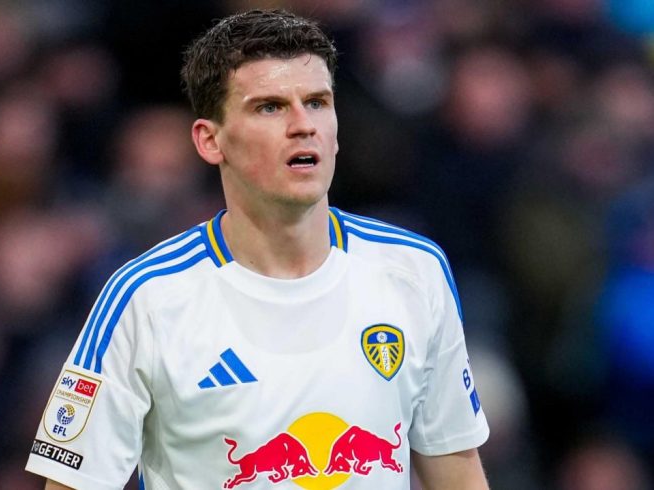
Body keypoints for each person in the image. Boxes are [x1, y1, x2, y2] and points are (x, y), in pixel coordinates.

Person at [26, 9, 490, 489]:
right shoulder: (146, 299)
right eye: (270, 107)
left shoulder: (413, 270)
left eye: (317, 102)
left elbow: (457, 471)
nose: (303, 125)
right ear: (211, 140)